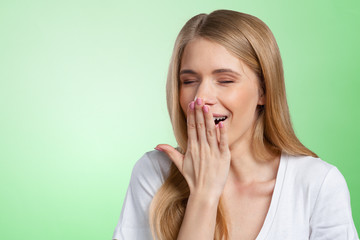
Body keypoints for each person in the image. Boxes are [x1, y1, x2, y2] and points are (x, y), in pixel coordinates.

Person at [112, 9, 359, 240]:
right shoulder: (154, 174)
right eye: (189, 81)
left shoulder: (317, 184)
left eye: (225, 80)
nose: (201, 97)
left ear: (263, 91)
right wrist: (204, 195)